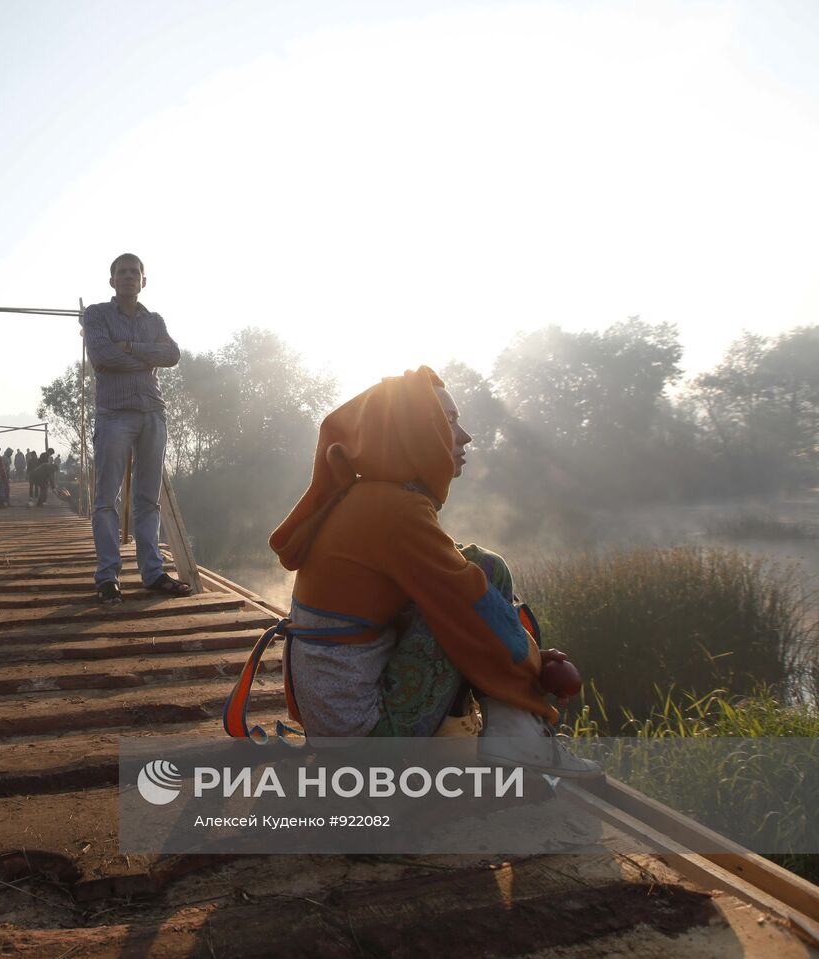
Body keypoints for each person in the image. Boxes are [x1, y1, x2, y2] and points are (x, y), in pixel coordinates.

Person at [230, 366, 597, 778]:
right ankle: (520, 740)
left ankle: (514, 736)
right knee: (486, 571)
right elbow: (470, 607)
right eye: (450, 422)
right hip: (360, 733)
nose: (465, 436)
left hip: (334, 721)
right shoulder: (396, 509)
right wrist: (532, 665)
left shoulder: (370, 496)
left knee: (470, 570)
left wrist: (520, 647)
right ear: (416, 431)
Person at [82, 253, 191, 604]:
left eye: (134, 272)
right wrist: (147, 357)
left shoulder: (154, 319)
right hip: (114, 413)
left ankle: (153, 573)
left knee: (148, 499)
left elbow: (173, 356)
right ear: (111, 280)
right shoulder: (97, 314)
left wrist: (127, 347)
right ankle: (107, 576)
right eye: (121, 272)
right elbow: (102, 357)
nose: (128, 277)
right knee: (106, 499)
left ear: (144, 281)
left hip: (152, 412)